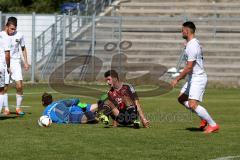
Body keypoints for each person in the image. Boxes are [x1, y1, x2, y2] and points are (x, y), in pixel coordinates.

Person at [171, 21, 219, 133]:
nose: (181, 32)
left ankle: (213, 124)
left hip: (198, 78)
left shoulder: (192, 46)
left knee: (192, 104)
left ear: (187, 31)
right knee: (181, 99)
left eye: (182, 30)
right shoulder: (192, 43)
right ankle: (204, 119)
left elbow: (189, 67)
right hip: (193, 77)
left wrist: (177, 78)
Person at [2, 17, 30, 115]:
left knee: (19, 85)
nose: (13, 31)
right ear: (7, 26)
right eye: (11, 28)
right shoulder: (1, 35)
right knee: (4, 87)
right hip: (4, 62)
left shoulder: (20, 35)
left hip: (15, 62)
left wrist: (26, 62)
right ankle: (6, 109)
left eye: (14, 29)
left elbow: (23, 48)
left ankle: (18, 108)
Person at [0, 29, 11, 114]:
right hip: (1, 66)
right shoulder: (6, 38)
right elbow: (7, 54)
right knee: (2, 90)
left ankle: (6, 108)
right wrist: (8, 66)